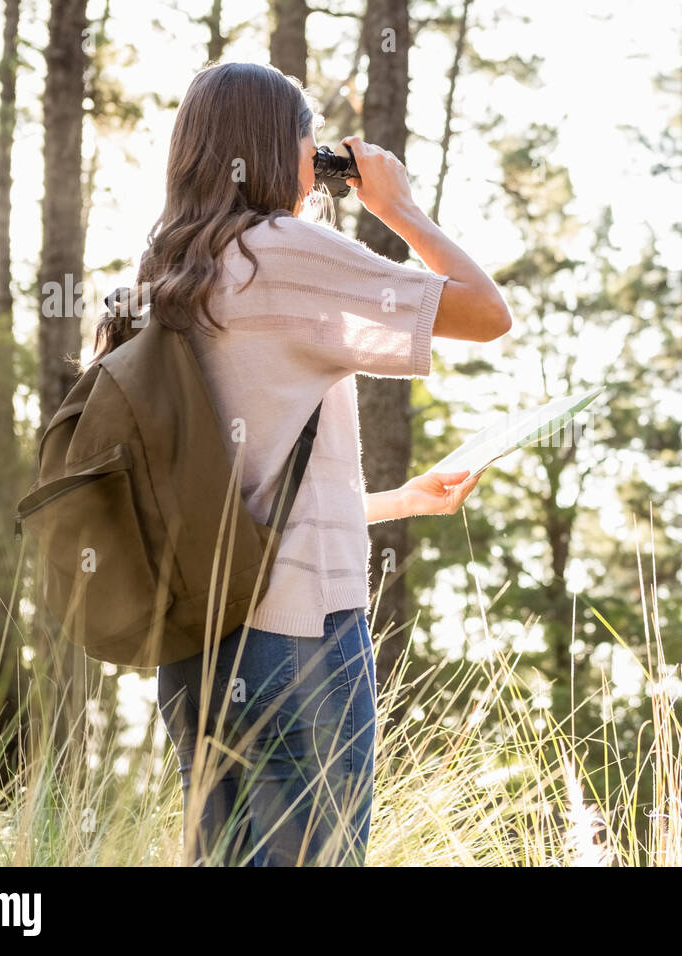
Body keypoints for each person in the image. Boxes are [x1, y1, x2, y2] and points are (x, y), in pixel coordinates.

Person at [90, 61, 512, 866]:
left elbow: (229, 491)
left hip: (195, 650)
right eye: (309, 142)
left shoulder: (162, 279)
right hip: (299, 644)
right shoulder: (285, 253)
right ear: (284, 150)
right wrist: (401, 209)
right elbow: (487, 313)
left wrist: (399, 501)